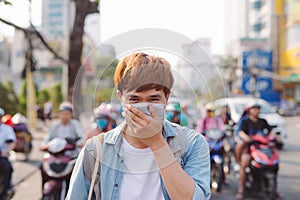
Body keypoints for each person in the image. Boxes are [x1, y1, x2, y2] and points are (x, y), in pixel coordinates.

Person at [66, 52, 211, 199]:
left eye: (153, 99)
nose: (145, 107)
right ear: (120, 97)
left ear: (166, 97)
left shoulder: (192, 144)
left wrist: (156, 143)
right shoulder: (95, 150)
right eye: (134, 99)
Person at [235, 103, 282, 199]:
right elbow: (241, 132)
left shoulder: (263, 121)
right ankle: (241, 190)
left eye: (258, 109)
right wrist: (246, 138)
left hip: (262, 147)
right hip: (250, 147)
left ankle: (275, 190)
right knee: (244, 163)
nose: (257, 110)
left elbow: (270, 131)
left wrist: (275, 137)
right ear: (249, 110)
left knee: (274, 164)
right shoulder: (245, 121)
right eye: (254, 109)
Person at [40, 102, 84, 190]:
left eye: (67, 114)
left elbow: (82, 139)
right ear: (59, 114)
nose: (64, 116)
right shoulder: (55, 126)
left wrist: (77, 143)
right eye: (62, 114)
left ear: (71, 114)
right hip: (56, 157)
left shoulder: (75, 124)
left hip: (71, 157)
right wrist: (44, 146)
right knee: (42, 167)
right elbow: (46, 140)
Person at [0, 108, 16, 200]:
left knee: (7, 168)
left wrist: (6, 151)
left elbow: (12, 142)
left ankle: (4, 192)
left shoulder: (7, 129)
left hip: (2, 156)